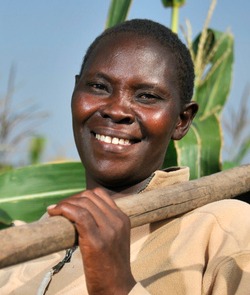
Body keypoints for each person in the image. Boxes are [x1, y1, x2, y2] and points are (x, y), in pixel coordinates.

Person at [1, 19, 250, 295]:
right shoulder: (27, 244)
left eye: (147, 96)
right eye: (98, 87)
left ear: (182, 120)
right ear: (75, 91)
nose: (116, 110)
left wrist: (116, 285)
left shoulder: (224, 230)